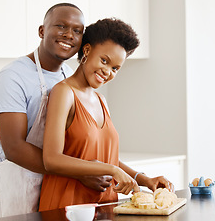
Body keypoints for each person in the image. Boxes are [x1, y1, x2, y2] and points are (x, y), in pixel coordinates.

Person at [0, 3, 113, 219]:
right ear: (42, 31)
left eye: (77, 31)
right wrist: (80, 173)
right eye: (61, 26)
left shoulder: (69, 75)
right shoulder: (12, 77)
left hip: (55, 190)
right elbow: (14, 148)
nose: (69, 35)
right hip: (15, 192)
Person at [38, 18, 174, 211]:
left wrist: (144, 179)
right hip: (68, 208)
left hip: (104, 206)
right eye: (104, 61)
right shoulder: (64, 92)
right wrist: (112, 170)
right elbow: (51, 159)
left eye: (115, 68)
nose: (107, 72)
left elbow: (104, 156)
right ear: (86, 51)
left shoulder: (101, 101)